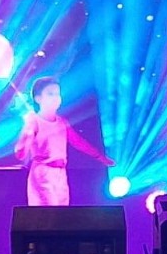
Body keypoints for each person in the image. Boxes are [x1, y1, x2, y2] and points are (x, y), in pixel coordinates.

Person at [13, 77, 115, 206]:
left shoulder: (62, 122)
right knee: (48, 213)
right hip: (43, 174)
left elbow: (78, 142)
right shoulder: (34, 121)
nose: (56, 98)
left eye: (57, 94)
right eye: (50, 94)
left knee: (62, 211)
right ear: (38, 98)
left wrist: (100, 157)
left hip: (61, 174)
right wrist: (26, 135)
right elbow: (20, 153)